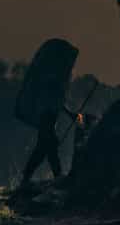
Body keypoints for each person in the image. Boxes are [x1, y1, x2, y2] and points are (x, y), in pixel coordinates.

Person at [14, 38, 78, 187]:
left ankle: (27, 178)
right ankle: (57, 176)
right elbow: (54, 101)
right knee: (50, 147)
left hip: (49, 116)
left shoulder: (56, 79)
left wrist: (70, 114)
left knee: (43, 149)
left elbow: (58, 102)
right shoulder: (54, 79)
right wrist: (70, 114)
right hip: (47, 117)